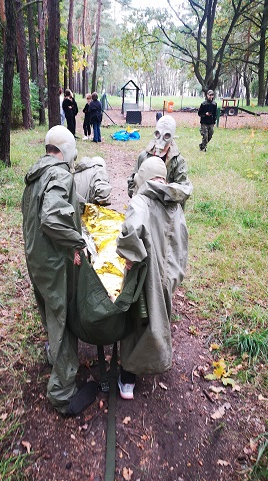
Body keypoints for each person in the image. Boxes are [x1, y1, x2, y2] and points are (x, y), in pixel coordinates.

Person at [21, 126, 98, 415]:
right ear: (67, 150)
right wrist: (78, 242)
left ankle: (54, 355)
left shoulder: (36, 174)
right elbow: (51, 218)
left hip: (36, 259)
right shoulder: (61, 174)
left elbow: (45, 211)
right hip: (54, 263)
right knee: (63, 318)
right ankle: (62, 393)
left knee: (50, 312)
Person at [116, 157, 191, 400]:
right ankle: (158, 353)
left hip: (146, 274)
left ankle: (128, 377)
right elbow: (182, 238)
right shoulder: (175, 201)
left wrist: (129, 255)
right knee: (160, 315)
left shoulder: (141, 200)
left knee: (137, 320)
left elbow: (132, 229)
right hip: (169, 274)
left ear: (143, 176)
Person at [127, 115, 192, 204]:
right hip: (146, 206)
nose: (161, 138)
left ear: (172, 136)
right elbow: (132, 185)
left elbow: (184, 190)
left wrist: (164, 189)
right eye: (157, 134)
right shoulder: (143, 157)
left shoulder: (178, 162)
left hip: (167, 209)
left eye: (166, 135)